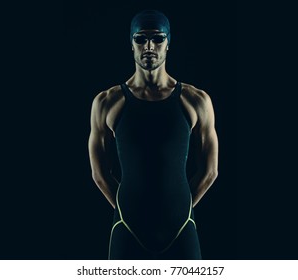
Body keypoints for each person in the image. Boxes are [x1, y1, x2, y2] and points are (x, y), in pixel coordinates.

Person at [88, 10, 218, 260]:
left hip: (180, 226)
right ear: (131, 44)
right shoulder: (107, 102)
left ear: (168, 44)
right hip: (128, 226)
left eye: (158, 39)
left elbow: (210, 170)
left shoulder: (195, 100)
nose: (149, 46)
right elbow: (99, 173)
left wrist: (181, 207)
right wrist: (127, 209)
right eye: (140, 39)